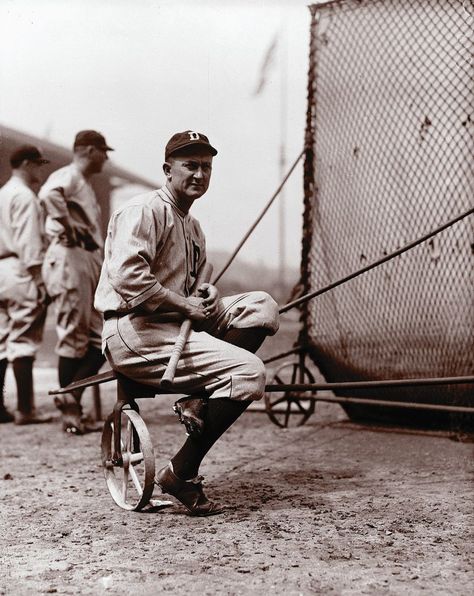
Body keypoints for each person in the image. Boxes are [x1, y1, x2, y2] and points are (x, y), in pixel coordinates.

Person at [94, 130, 280, 516]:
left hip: (177, 325)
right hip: (134, 330)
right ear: (168, 169)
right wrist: (185, 305)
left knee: (261, 306)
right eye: (190, 165)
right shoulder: (143, 210)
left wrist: (207, 293)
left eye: (206, 167)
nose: (199, 174)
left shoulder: (193, 226)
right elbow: (128, 278)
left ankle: (200, 398)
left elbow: (193, 285)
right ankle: (181, 472)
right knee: (250, 373)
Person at [39, 130, 114, 434]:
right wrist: (67, 223)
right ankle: (70, 412)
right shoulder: (68, 174)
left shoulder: (82, 182)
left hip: (84, 259)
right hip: (69, 257)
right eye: (102, 151)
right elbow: (47, 195)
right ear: (86, 150)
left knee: (100, 340)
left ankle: (71, 396)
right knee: (73, 336)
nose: (106, 157)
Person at [0, 145, 52, 425]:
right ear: (28, 164)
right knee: (23, 340)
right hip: (20, 268)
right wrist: (39, 278)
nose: (40, 170)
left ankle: (0, 407)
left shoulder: (2, 193)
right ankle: (26, 410)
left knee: (1, 339)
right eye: (38, 165)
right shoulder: (25, 197)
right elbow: (30, 242)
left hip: (0, 268)